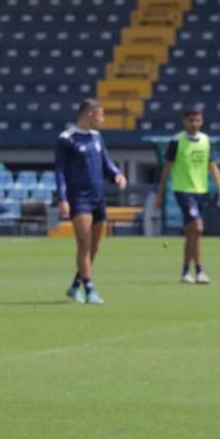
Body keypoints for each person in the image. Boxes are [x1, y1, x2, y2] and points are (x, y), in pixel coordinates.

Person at [56, 99, 127, 305]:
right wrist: (62, 198)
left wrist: (117, 175)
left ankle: (75, 285)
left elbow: (106, 163)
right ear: (89, 115)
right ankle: (89, 289)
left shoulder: (97, 137)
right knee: (84, 243)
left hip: (98, 198)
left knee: (94, 246)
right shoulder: (66, 139)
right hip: (79, 199)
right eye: (101, 116)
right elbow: (59, 171)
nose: (103, 120)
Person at [155, 107, 220, 284]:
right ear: (184, 121)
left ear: (202, 121)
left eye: (197, 120)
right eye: (191, 120)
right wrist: (160, 193)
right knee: (197, 227)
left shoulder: (205, 140)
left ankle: (185, 272)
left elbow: (213, 166)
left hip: (201, 191)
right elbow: (167, 168)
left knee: (192, 233)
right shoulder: (177, 141)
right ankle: (200, 270)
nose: (194, 124)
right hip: (183, 190)